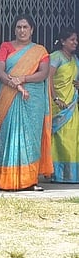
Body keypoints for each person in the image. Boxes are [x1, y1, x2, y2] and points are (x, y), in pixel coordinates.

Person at [0, 14, 50, 191]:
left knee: (30, 138)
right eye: (19, 27)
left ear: (32, 30)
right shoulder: (6, 47)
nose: (22, 30)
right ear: (14, 29)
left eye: (25, 27)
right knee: (8, 134)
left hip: (33, 100)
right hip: (8, 96)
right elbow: (0, 72)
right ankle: (4, 180)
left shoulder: (40, 51)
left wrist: (22, 78)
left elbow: (43, 74)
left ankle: (30, 181)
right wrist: (14, 84)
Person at [48, 27, 79, 183]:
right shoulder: (55, 57)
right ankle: (58, 174)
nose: (76, 43)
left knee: (73, 139)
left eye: (76, 40)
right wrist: (55, 99)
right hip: (58, 106)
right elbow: (49, 79)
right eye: (72, 40)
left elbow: (74, 80)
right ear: (63, 41)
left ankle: (72, 175)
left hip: (72, 106)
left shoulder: (75, 60)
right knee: (60, 139)